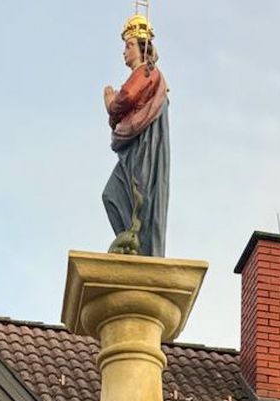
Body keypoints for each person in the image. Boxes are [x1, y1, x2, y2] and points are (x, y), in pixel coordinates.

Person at [102, 13, 170, 256]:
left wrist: (111, 103)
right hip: (131, 148)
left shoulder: (146, 72)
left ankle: (136, 240)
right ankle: (131, 238)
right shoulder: (141, 74)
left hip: (142, 150)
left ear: (142, 48)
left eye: (129, 45)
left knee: (137, 197)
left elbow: (128, 97)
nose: (124, 52)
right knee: (112, 194)